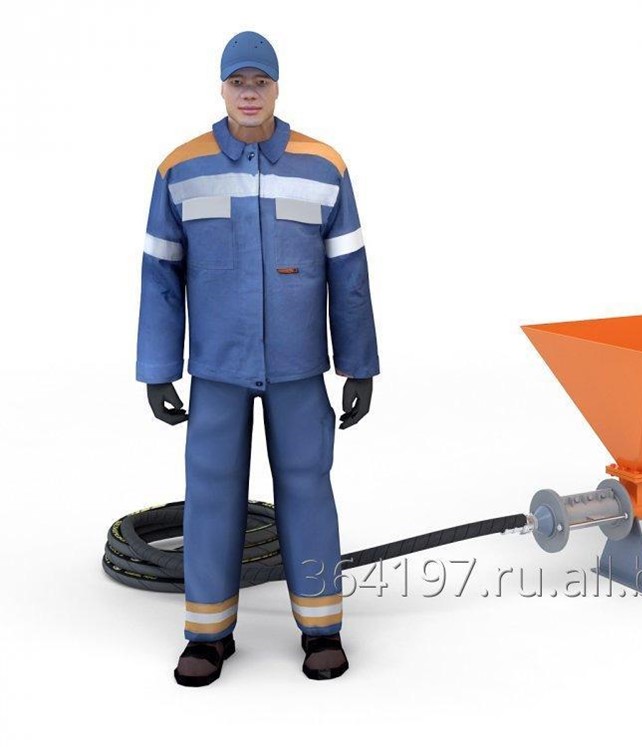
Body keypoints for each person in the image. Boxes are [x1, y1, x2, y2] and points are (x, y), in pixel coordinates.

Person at [136, 30, 379, 686]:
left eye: (260, 82)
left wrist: (358, 363)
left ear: (276, 87)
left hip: (299, 368)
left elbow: (349, 274)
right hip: (217, 368)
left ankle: (322, 627)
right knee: (211, 493)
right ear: (222, 88)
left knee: (307, 486)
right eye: (238, 82)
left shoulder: (323, 166)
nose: (249, 93)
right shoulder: (180, 168)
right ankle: (208, 635)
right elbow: (160, 275)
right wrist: (158, 367)